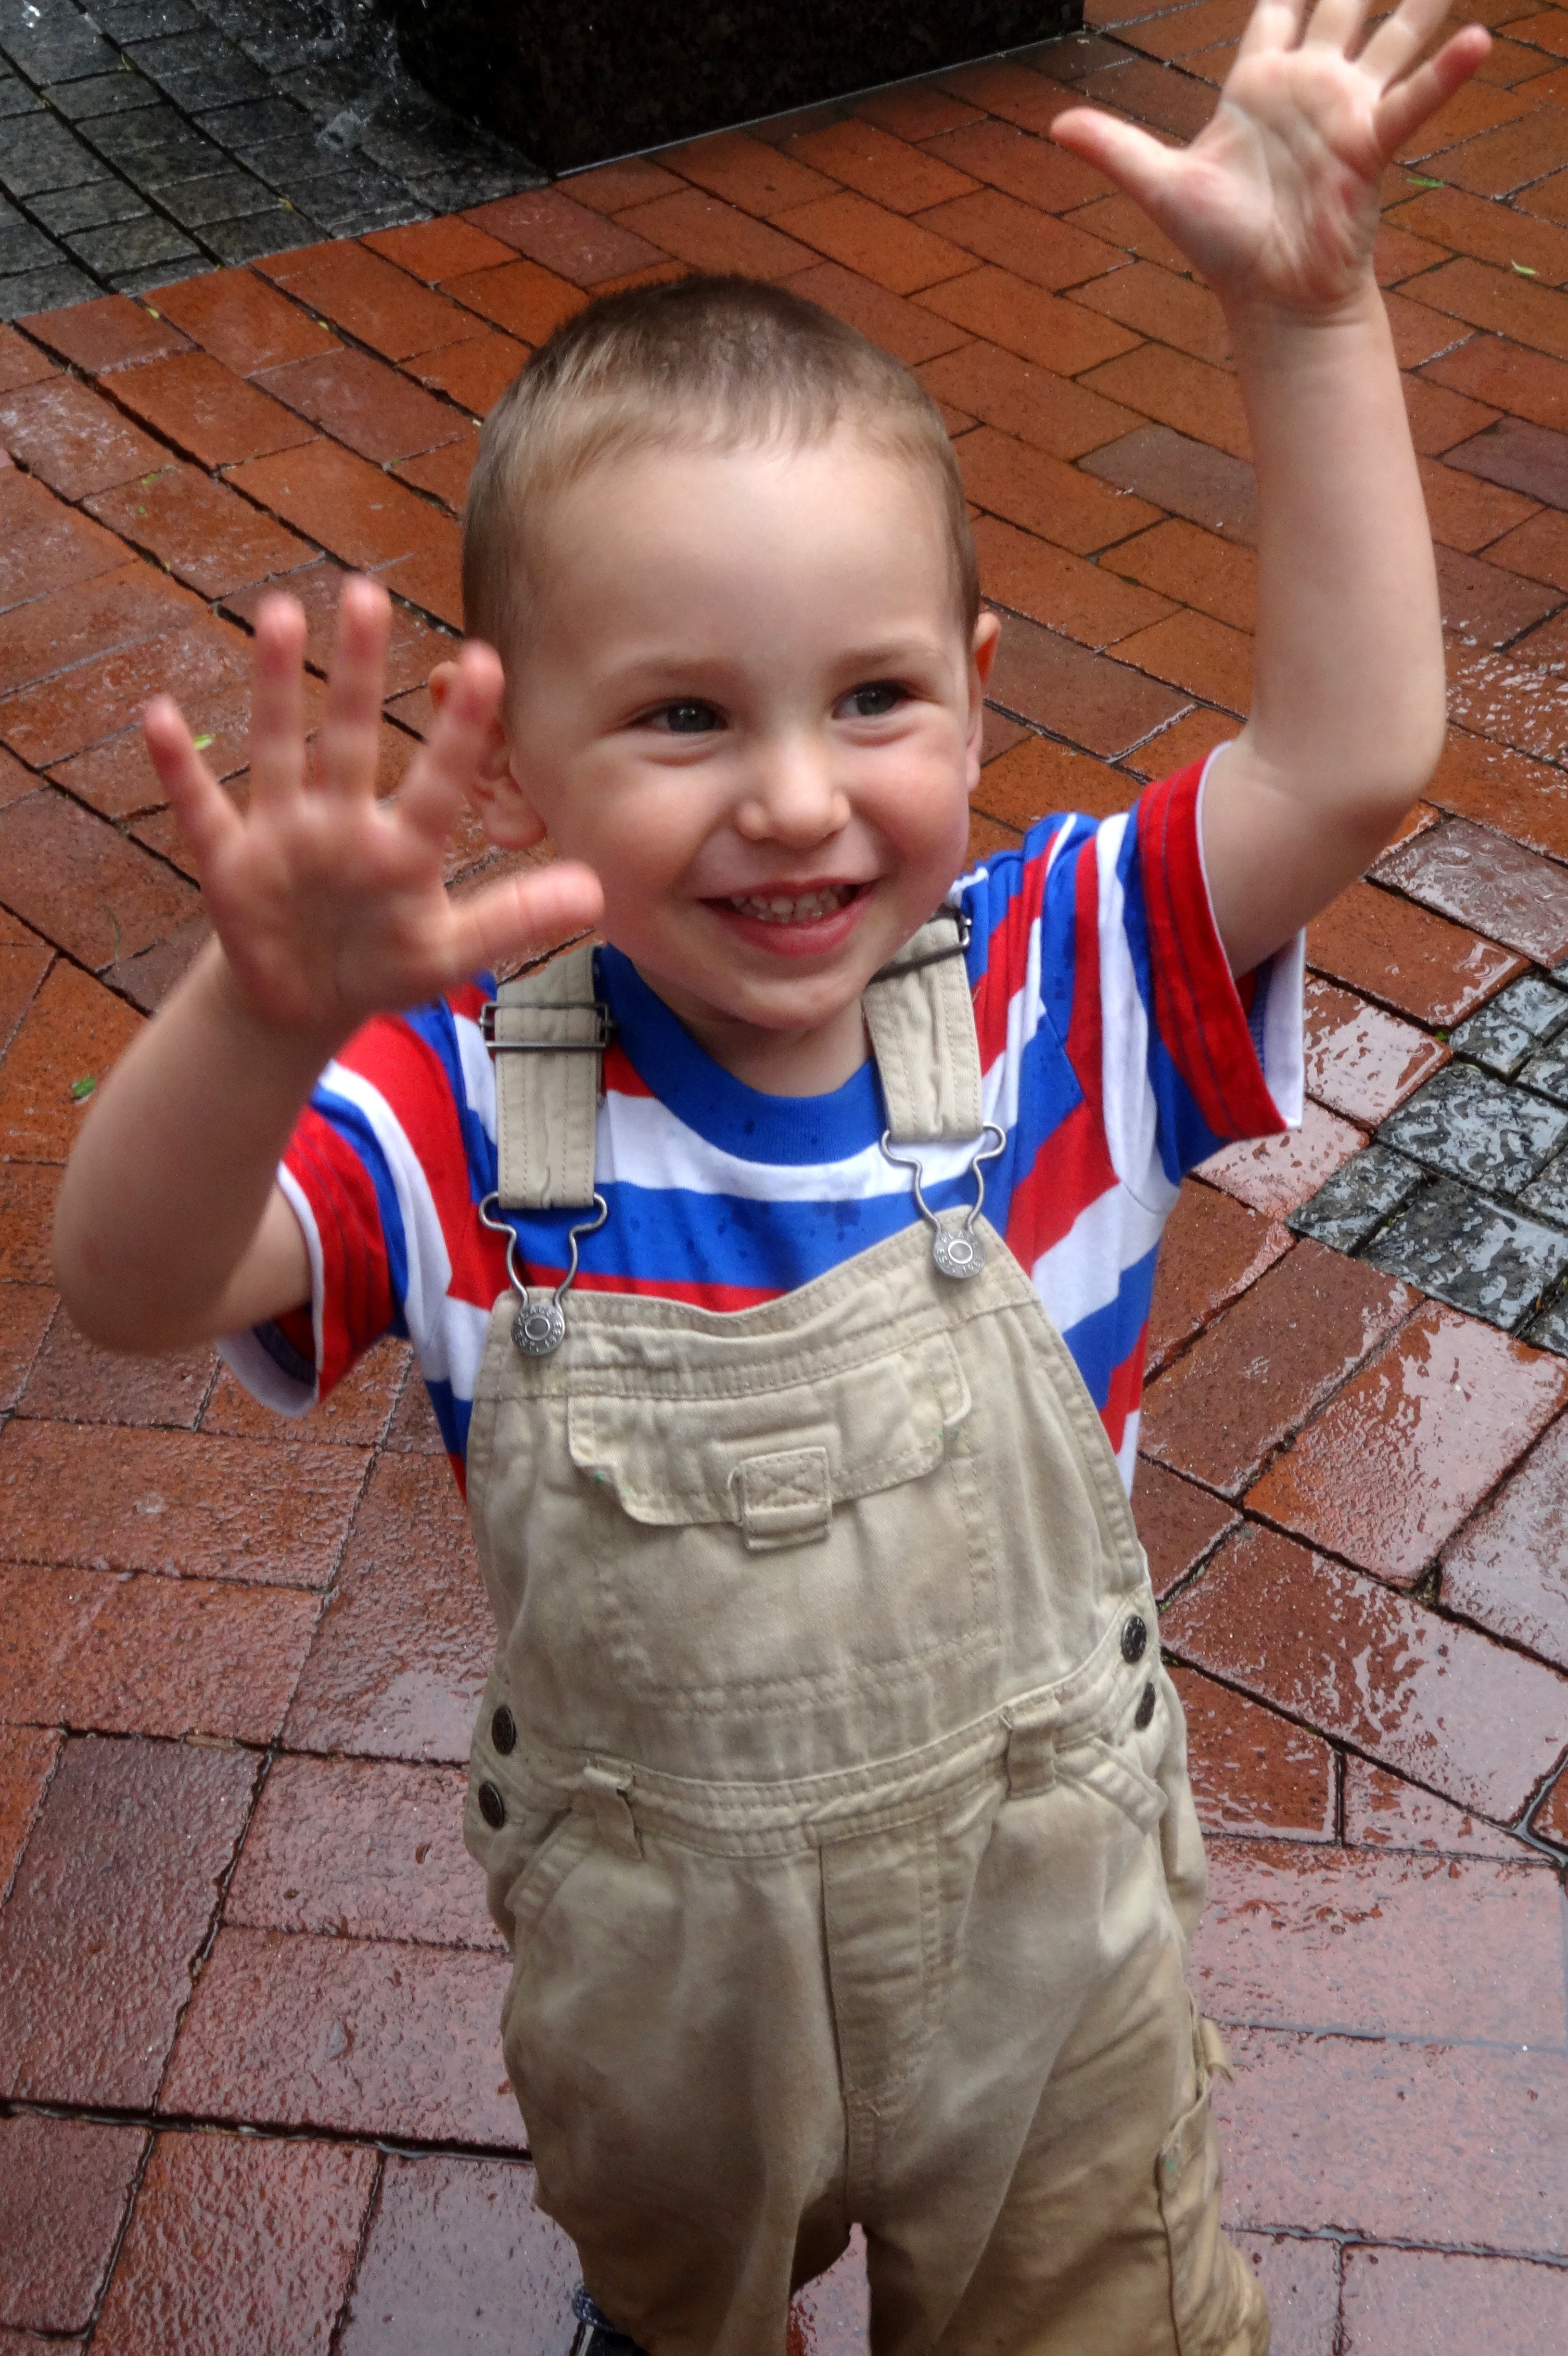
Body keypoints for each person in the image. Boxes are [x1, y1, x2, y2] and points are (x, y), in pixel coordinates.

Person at [53, 0, 1488, 2348]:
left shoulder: (1063, 982)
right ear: (518, 761)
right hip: (668, 2015)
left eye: (871, 697)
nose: (798, 798)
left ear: (978, 689)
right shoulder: (451, 1104)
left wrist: (1306, 320)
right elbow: (130, 1283)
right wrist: (258, 1014)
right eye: (683, 716)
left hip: (1048, 1993)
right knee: (678, 2300)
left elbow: (1350, 753)